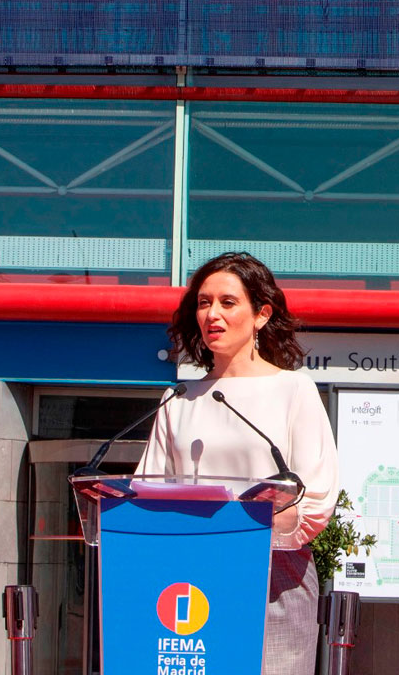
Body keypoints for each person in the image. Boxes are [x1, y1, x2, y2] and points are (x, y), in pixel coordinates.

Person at [137, 252, 337, 675]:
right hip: (189, 574)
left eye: (228, 302)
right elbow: (146, 491)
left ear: (261, 315)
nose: (213, 314)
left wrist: (258, 525)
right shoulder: (178, 400)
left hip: (274, 576)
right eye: (204, 302)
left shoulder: (293, 390)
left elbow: (315, 498)